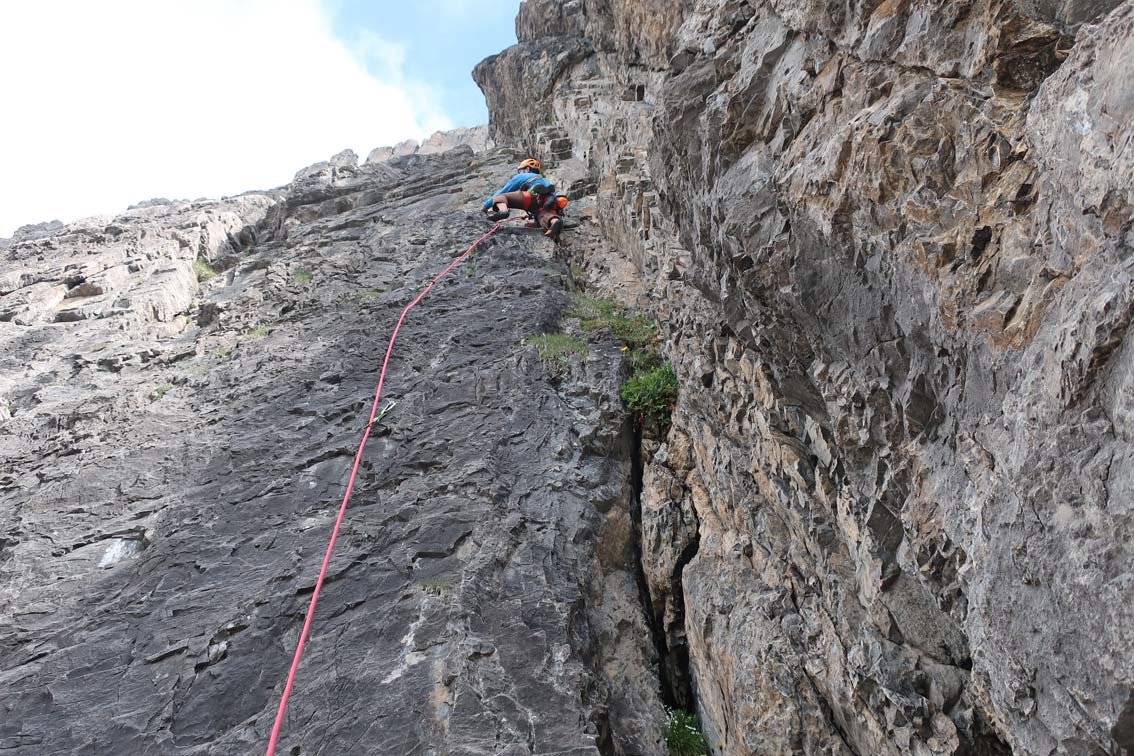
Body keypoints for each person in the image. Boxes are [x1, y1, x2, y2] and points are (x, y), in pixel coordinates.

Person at [482, 158, 565, 241]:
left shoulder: (523, 176)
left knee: (500, 197)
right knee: (543, 214)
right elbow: (553, 196)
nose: (519, 173)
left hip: (531, 197)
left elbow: (504, 191)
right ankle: (554, 221)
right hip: (548, 203)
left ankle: (503, 211)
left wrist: (485, 207)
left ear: (527, 169)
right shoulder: (545, 180)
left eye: (520, 171)